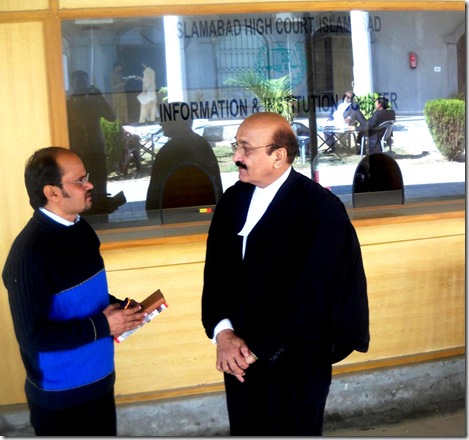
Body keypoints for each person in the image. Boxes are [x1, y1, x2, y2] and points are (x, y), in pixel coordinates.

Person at [201, 112, 370, 436]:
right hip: (237, 358)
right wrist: (223, 334)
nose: (236, 157)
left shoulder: (320, 209)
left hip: (295, 360)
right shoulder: (233, 200)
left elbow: (316, 295)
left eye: (246, 149)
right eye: (236, 146)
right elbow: (216, 275)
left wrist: (254, 349)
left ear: (278, 156)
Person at [2, 147, 147, 436]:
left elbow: (86, 296)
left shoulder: (81, 229)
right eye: (79, 181)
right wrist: (104, 325)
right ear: (52, 193)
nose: (90, 185)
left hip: (101, 380)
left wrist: (121, 309)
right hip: (61, 399)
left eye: (87, 177)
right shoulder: (29, 255)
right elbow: (33, 336)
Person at [145, 102, 223, 219]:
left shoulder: (168, 151)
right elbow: (217, 187)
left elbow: (154, 196)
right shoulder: (202, 145)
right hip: (205, 216)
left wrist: (153, 219)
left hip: (173, 219)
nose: (161, 124)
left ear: (176, 122)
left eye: (164, 120)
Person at [67, 70, 126, 219]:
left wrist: (99, 96)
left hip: (96, 151)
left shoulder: (94, 101)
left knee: (99, 188)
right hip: (76, 153)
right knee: (79, 190)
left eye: (83, 81)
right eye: (77, 81)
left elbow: (112, 117)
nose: (80, 84)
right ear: (72, 83)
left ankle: (102, 219)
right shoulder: (67, 102)